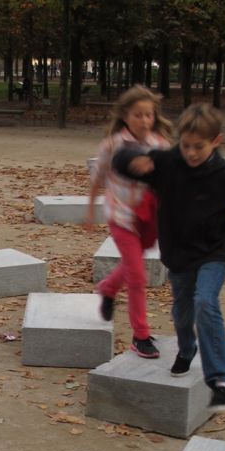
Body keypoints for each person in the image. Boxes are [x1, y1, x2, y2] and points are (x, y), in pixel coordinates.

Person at [113, 103, 225, 412]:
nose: (192, 153)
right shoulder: (167, 164)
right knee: (182, 314)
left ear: (216, 142)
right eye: (186, 146)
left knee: (206, 302)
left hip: (214, 251)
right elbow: (122, 159)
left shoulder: (224, 176)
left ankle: (221, 381)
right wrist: (133, 160)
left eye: (200, 147)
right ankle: (186, 349)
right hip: (179, 254)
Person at [86, 85, 173, 358]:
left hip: (148, 217)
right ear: (125, 116)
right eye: (138, 115)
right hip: (120, 215)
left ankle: (108, 288)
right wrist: (90, 208)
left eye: (149, 115)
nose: (144, 120)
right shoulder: (113, 145)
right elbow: (98, 177)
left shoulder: (160, 145)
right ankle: (140, 335)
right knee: (137, 274)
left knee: (133, 263)